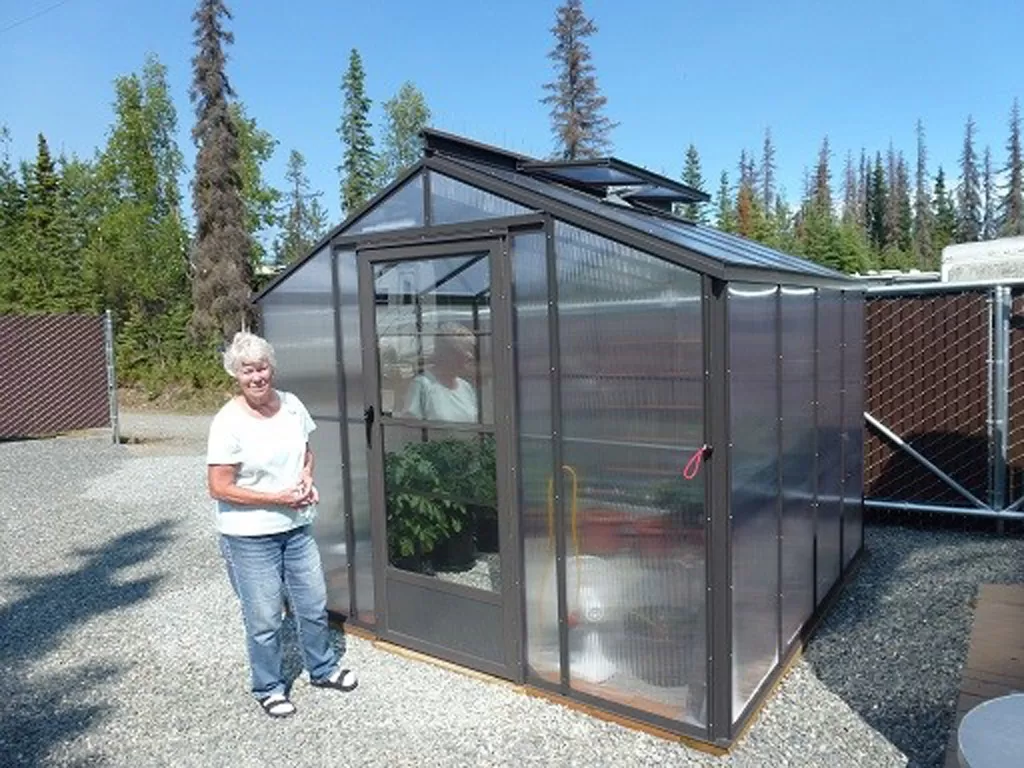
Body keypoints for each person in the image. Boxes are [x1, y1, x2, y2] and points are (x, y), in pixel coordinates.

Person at [206, 331, 357, 719]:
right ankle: (269, 687)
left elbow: (305, 452)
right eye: (247, 371)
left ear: (271, 367)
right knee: (265, 618)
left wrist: (306, 478)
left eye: (262, 368)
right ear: (235, 375)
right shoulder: (228, 422)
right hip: (250, 537)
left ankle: (322, 669)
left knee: (313, 604)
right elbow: (219, 487)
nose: (257, 377)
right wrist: (278, 498)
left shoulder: (291, 405)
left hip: (296, 528)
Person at [400, 322, 480, 423]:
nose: (469, 357)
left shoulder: (466, 387)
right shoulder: (422, 385)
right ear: (446, 353)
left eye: (470, 352)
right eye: (463, 352)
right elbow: (410, 427)